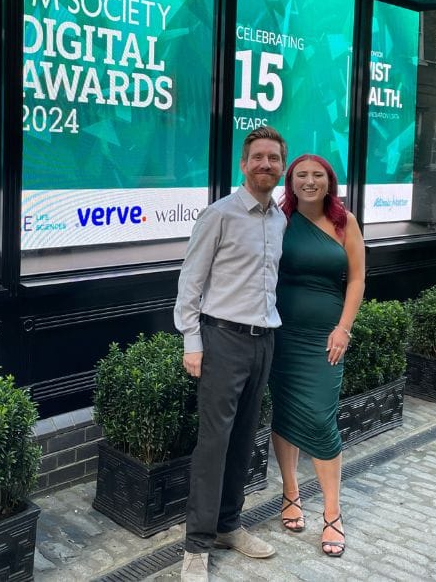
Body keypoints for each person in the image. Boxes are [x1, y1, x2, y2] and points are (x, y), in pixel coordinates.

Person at [174, 126, 288, 582]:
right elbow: (190, 281)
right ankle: (197, 544)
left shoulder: (279, 219)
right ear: (244, 164)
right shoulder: (219, 214)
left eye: (273, 158)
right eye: (257, 157)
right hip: (222, 339)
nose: (265, 164)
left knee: (244, 439)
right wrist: (192, 342)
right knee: (213, 444)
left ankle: (228, 525)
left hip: (264, 340)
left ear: (282, 165)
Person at [269, 153, 366, 558]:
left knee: (322, 419)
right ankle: (290, 493)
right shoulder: (276, 220)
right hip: (280, 333)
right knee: (285, 413)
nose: (310, 181)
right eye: (301, 176)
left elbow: (358, 278)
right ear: (290, 182)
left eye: (318, 176)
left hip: (325, 338)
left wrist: (343, 328)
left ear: (329, 182)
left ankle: (332, 512)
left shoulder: (346, 222)